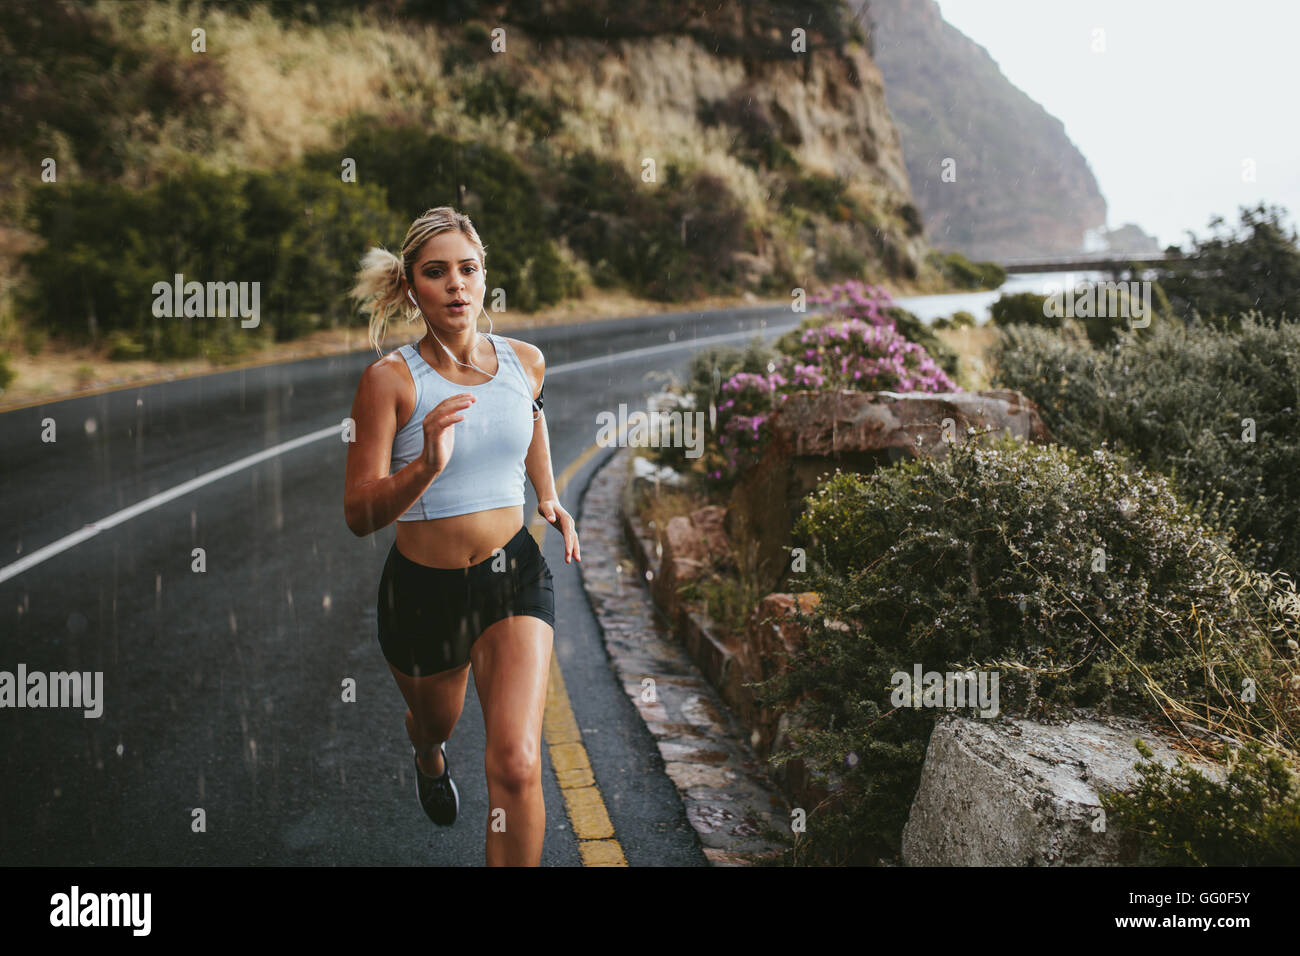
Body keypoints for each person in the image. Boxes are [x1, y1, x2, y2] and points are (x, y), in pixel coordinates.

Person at [343, 206, 580, 866]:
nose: (455, 284)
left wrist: (550, 494)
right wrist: (424, 467)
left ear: (484, 279)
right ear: (412, 286)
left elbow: (529, 420)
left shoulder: (524, 361)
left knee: (518, 762)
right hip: (423, 593)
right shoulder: (390, 381)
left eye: (467, 270)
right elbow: (359, 512)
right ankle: (426, 753)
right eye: (436, 272)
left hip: (514, 576)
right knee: (435, 721)